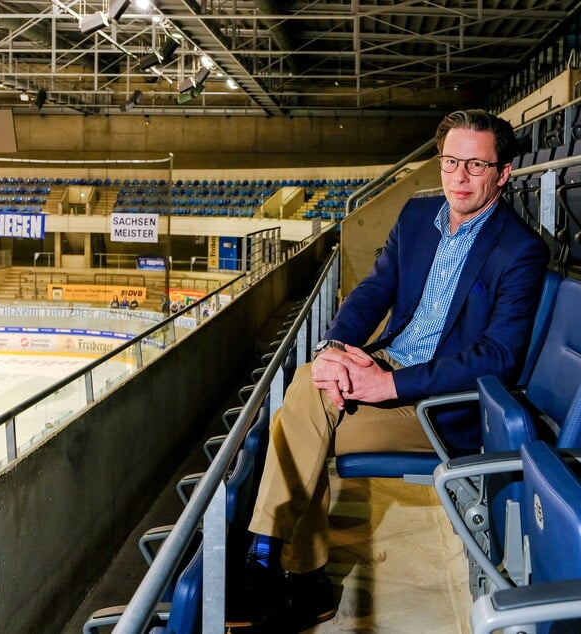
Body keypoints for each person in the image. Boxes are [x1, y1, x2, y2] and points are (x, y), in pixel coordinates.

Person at [227, 109, 550, 631]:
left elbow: (497, 357)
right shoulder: (416, 218)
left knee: (298, 419)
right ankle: (284, 569)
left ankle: (283, 569)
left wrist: (387, 384)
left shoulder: (520, 250)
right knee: (311, 387)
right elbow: (375, 289)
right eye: (449, 162)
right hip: (388, 361)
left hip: (440, 404)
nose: (458, 177)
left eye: (475, 165)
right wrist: (336, 347)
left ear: (503, 173)